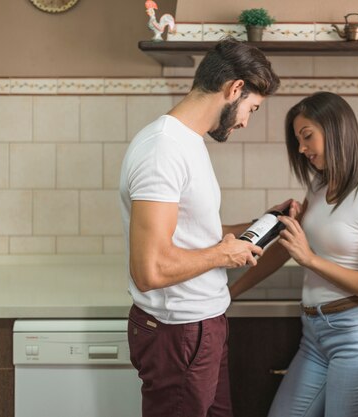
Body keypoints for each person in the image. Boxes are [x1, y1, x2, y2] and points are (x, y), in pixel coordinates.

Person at [119, 38, 289, 417]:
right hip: (179, 332)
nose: (246, 120)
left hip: (200, 328)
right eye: (252, 108)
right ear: (234, 89)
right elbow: (150, 270)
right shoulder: (163, 149)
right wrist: (223, 255)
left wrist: (266, 221)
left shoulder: (188, 143)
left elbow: (195, 231)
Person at [230, 91, 358, 417]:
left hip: (357, 338)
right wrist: (230, 294)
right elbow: (288, 248)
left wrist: (310, 258)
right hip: (313, 335)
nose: (301, 148)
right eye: (298, 139)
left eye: (307, 136)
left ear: (337, 129)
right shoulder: (318, 186)